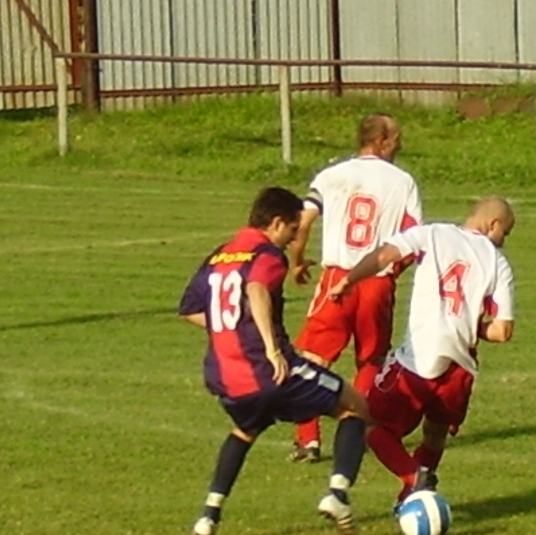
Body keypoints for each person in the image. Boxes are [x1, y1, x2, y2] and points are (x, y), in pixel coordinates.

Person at [178, 186, 370, 535]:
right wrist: (271, 348)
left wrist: (229, 328)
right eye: (294, 229)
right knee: (355, 407)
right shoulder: (266, 255)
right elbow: (255, 290)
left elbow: (190, 309)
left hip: (227, 376)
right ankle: (337, 494)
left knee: (245, 431)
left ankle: (208, 516)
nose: (295, 237)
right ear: (277, 222)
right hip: (270, 370)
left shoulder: (219, 255)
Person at [326, 196, 516, 511]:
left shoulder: (432, 234)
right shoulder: (498, 263)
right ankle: (412, 498)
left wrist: (349, 279)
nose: (503, 241)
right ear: (493, 223)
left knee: (369, 423)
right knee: (435, 434)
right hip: (460, 365)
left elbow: (385, 254)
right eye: (505, 233)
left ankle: (415, 477)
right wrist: (470, 326)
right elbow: (503, 330)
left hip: (419, 356)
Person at [287, 112, 423, 462]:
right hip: (376, 281)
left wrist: (297, 259)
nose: (400, 144)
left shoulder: (332, 176)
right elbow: (413, 237)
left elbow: (303, 222)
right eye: (396, 138)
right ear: (381, 141)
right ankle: (358, 430)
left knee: (314, 358)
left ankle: (307, 440)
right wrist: (394, 270)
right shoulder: (403, 182)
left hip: (337, 277)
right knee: (371, 360)